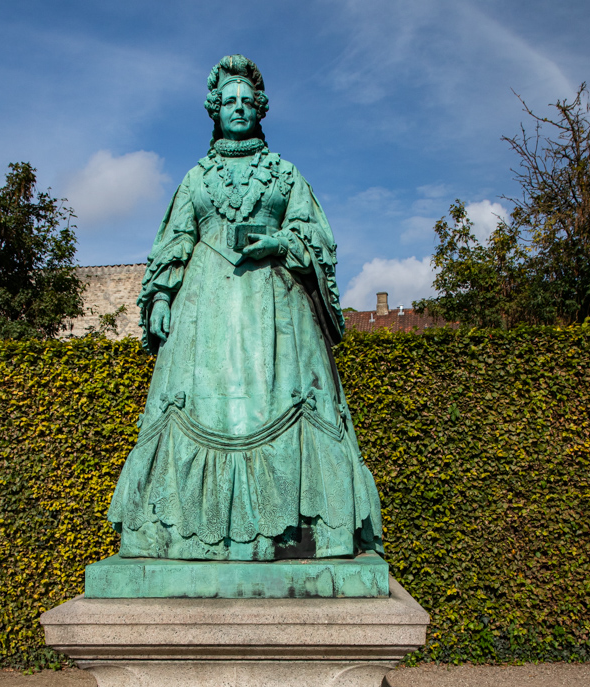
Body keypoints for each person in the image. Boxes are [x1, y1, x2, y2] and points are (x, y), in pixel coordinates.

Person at [107, 55, 384, 561]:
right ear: (215, 110)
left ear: (261, 109)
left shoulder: (284, 173)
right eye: (229, 101)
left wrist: (280, 243)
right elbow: (175, 240)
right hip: (203, 316)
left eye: (247, 101)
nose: (238, 108)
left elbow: (316, 236)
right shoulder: (196, 178)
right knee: (189, 412)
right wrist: (163, 296)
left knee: (294, 407)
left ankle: (306, 532)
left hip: (277, 315)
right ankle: (175, 534)